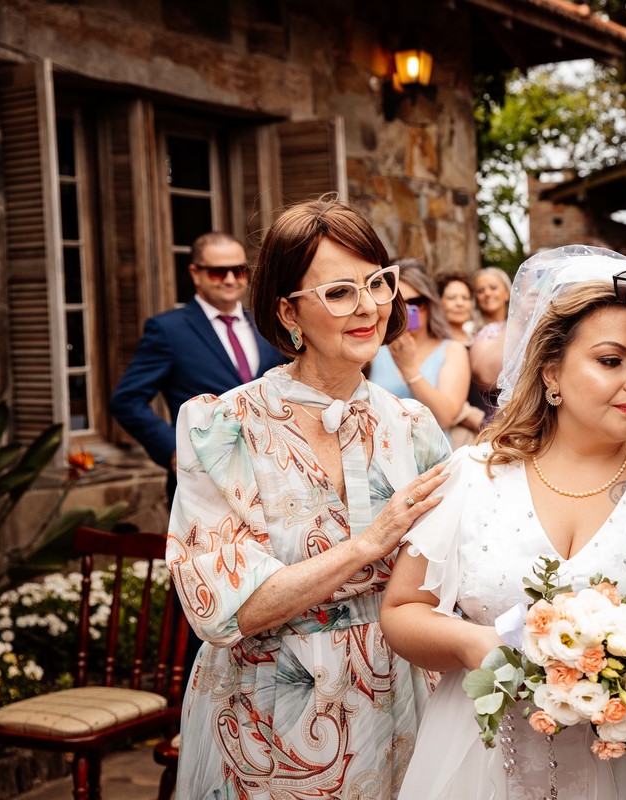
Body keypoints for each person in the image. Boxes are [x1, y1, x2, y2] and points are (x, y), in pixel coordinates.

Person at [166, 198, 452, 799]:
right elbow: (226, 611)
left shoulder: (414, 426)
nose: (370, 306)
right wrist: (370, 545)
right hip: (264, 715)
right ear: (287, 311)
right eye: (341, 292)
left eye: (378, 282)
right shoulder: (220, 428)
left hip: (399, 701)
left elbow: (452, 575)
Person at [381, 246, 626, 800]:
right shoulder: (474, 474)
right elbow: (402, 611)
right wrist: (469, 643)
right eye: (611, 360)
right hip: (477, 760)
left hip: (619, 772)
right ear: (551, 371)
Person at [111, 232, 287, 499]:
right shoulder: (168, 330)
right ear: (196, 273)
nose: (230, 279)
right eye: (218, 272)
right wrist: (175, 450)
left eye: (239, 270)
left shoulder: (268, 326)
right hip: (202, 484)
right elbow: (127, 400)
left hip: (271, 479)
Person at [370, 260, 473, 434]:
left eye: (416, 302)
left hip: (431, 459)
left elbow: (445, 417)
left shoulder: (453, 350)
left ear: (431, 303)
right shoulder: (374, 348)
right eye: (399, 302)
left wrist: (409, 369)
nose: (408, 309)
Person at [469, 268, 513, 423]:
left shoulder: (521, 327)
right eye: (481, 290)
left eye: (493, 288)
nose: (487, 293)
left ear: (507, 293)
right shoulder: (470, 331)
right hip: (491, 413)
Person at [439, 271, 479, 344]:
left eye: (465, 298)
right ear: (439, 302)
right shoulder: (434, 341)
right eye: (451, 298)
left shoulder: (477, 338)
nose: (460, 303)